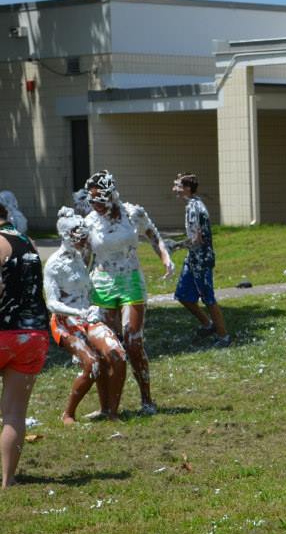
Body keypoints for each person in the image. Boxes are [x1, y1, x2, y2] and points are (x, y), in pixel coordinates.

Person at [84, 170, 175, 415]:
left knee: (133, 342)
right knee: (107, 348)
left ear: (111, 195)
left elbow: (153, 235)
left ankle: (147, 400)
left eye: (99, 199)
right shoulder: (89, 222)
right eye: (91, 200)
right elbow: (84, 258)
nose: (95, 205)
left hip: (131, 281)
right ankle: (106, 407)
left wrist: (165, 258)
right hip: (101, 284)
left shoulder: (133, 213)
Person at [43, 207, 126, 424]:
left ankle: (111, 412)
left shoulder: (81, 257)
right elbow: (52, 303)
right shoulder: (54, 264)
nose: (82, 240)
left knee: (117, 354)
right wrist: (77, 311)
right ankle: (68, 413)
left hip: (87, 317)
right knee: (93, 363)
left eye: (83, 236)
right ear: (65, 235)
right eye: (77, 236)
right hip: (64, 321)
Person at [0, 201, 48, 487]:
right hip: (32, 336)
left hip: (2, 331)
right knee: (14, 413)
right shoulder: (28, 242)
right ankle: (8, 480)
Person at [169, 173, 230, 348]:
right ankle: (208, 325)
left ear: (187, 188)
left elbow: (197, 239)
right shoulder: (192, 204)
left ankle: (224, 336)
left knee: (208, 298)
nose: (174, 189)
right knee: (182, 295)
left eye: (178, 186)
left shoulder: (195, 208)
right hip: (193, 257)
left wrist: (175, 246)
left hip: (202, 259)